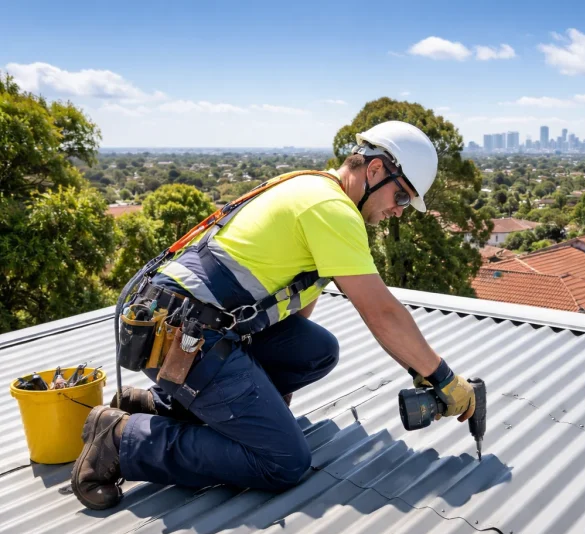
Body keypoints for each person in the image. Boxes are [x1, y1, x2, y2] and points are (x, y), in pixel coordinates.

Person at [71, 121, 477, 511]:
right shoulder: (332, 209)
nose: (400, 211)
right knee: (283, 461)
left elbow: (295, 307)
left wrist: (262, 405)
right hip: (182, 334)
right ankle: (121, 440)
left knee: (317, 348)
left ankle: (157, 406)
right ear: (375, 170)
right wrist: (442, 378)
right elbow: (382, 312)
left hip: (184, 323)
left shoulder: (309, 185)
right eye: (402, 197)